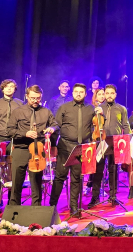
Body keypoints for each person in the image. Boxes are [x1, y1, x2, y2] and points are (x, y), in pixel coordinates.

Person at [7, 85, 58, 206]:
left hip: (37, 150)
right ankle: (15, 210)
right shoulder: (18, 111)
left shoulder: (46, 111)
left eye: (38, 98)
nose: (35, 101)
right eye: (32, 98)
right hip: (21, 149)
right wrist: (25, 133)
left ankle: (36, 210)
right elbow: (9, 131)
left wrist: (52, 128)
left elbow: (55, 124)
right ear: (27, 96)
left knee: (36, 184)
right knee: (17, 184)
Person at [49, 83, 94, 214]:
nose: (78, 94)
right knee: (60, 177)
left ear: (85, 94)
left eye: (81, 92)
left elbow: (95, 126)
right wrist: (53, 144)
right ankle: (52, 205)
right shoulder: (64, 107)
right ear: (73, 93)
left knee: (77, 178)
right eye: (76, 92)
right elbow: (56, 125)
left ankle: (74, 206)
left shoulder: (91, 108)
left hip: (81, 148)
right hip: (65, 146)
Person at [88, 84, 130, 208]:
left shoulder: (121, 108)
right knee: (98, 170)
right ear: (104, 95)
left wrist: (128, 140)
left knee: (114, 170)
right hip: (101, 141)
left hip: (116, 142)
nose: (109, 95)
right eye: (107, 93)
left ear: (115, 95)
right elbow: (92, 125)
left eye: (112, 93)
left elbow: (125, 125)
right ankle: (95, 197)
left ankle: (113, 196)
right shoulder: (98, 108)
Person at [0, 79, 23, 211]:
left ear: (15, 89)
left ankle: (11, 200)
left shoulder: (20, 103)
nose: (9, 89)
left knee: (13, 170)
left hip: (15, 139)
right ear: (2, 89)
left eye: (12, 86)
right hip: (0, 138)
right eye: (7, 86)